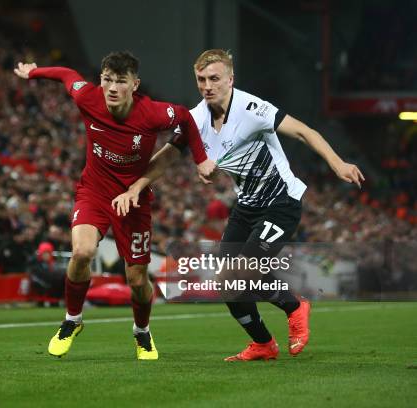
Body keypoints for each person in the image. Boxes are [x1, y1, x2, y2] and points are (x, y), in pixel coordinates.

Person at [112, 49, 364, 361]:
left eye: (214, 78)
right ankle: (262, 344)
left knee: (240, 271)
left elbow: (303, 131)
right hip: (246, 207)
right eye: (201, 79)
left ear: (231, 79)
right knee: (226, 283)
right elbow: (167, 155)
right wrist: (136, 185)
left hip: (280, 201)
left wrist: (337, 163)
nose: (207, 85)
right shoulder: (196, 119)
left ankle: (295, 306)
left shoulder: (252, 109)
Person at [14, 51, 215, 360]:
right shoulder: (88, 99)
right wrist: (35, 72)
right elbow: (68, 75)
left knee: (136, 279)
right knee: (81, 252)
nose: (111, 88)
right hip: (94, 191)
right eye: (107, 79)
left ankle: (142, 332)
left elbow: (186, 119)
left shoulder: (153, 114)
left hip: (133, 201)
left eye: (120, 81)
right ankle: (72, 321)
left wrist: (201, 160)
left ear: (134, 85)